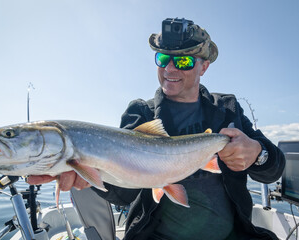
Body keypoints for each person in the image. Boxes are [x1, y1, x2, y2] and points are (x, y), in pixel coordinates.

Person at [28, 18, 285, 240]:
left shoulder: (228, 109)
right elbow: (124, 194)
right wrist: (91, 176)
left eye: (183, 61)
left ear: (203, 66)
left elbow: (274, 169)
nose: (169, 69)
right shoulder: (140, 113)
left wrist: (257, 152)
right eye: (163, 58)